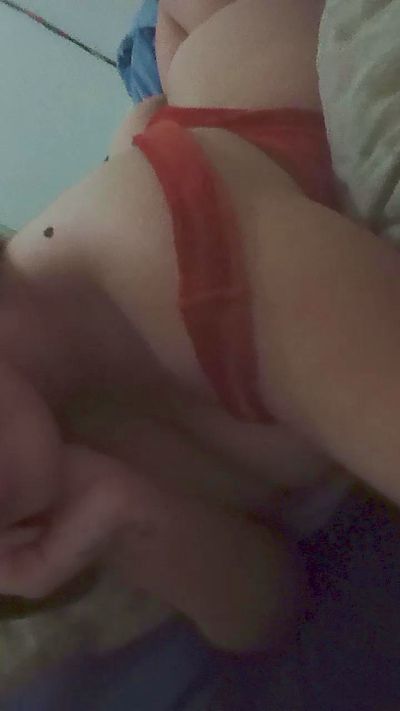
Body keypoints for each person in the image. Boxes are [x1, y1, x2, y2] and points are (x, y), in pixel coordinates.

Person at [1, 0, 400, 654]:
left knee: (169, 32)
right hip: (180, 124)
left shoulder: (175, 250)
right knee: (148, 77)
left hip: (239, 52)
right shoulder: (39, 430)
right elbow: (264, 611)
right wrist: (123, 512)